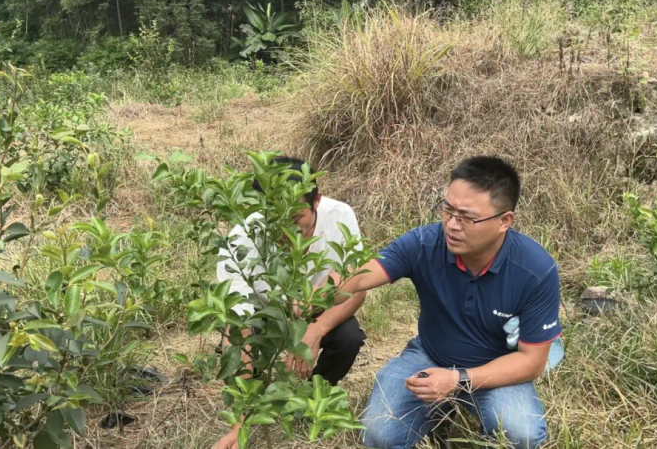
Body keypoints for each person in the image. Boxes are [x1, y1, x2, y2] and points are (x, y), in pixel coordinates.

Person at [326, 156, 561, 449]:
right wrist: (317, 292)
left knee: (521, 435)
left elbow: (531, 361)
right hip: (430, 354)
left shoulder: (535, 270)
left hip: (495, 368)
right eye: (448, 209)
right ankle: (440, 409)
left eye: (467, 217)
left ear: (505, 221)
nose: (452, 224)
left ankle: (450, 400)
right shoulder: (424, 244)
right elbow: (361, 276)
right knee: (380, 435)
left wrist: (457, 380)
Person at [211, 156, 368, 449]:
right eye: (276, 223)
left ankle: (311, 397)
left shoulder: (340, 216)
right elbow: (239, 330)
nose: (287, 232)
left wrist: (316, 329)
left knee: (348, 337)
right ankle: (257, 400)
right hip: (264, 317)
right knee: (237, 346)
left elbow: (356, 285)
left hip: (315, 311)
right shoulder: (240, 242)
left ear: (316, 200)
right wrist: (239, 426)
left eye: (296, 219)